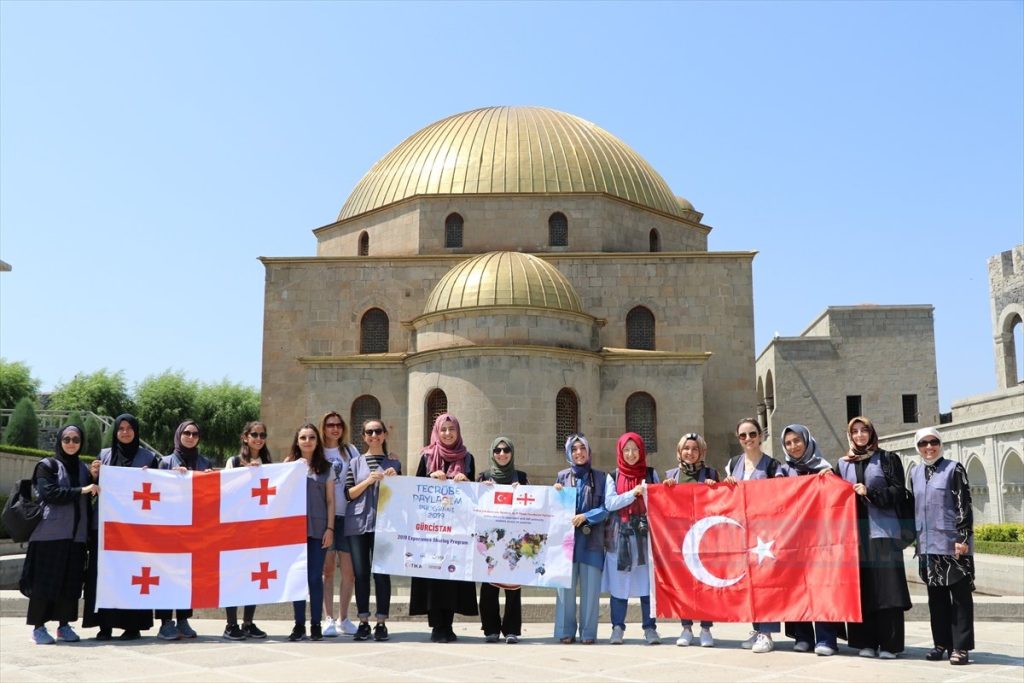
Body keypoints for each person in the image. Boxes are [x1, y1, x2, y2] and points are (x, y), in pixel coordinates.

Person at [836, 416, 912, 659]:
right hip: (855, 537)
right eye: (855, 431)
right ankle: (864, 642)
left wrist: (871, 492)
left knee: (887, 590)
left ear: (871, 433)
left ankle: (890, 644)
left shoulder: (887, 459)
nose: (859, 435)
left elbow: (899, 492)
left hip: (884, 534)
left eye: (864, 430)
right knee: (862, 589)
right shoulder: (842, 464)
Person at [83, 413, 159, 641]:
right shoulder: (104, 457)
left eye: (129, 428)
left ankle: (132, 625)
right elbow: (93, 488)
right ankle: (104, 625)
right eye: (120, 428)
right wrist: (93, 474)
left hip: (136, 531)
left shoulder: (149, 458)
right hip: (106, 529)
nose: (125, 432)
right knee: (104, 575)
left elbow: (159, 490)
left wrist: (151, 477)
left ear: (136, 431)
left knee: (133, 575)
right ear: (115, 432)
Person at [21, 424, 99, 645]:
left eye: (76, 439)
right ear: (60, 441)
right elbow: (49, 493)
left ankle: (64, 626)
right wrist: (81, 490)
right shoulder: (47, 466)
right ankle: (38, 627)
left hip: (76, 538)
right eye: (67, 439)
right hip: (50, 536)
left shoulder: (83, 470)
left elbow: (91, 494)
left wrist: (94, 477)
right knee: (45, 583)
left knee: (70, 584)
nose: (72, 443)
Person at [409, 413, 478, 642]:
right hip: (430, 530)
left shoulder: (467, 458)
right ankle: (436, 625)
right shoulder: (427, 457)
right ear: (437, 432)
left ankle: (448, 624)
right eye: (443, 430)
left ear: (458, 431)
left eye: (452, 429)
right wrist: (430, 477)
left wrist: (466, 481)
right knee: (432, 576)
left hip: (456, 530)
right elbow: (415, 490)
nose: (448, 434)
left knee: (452, 577)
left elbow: (473, 494)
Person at [910, 427, 975, 666]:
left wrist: (963, 538)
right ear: (917, 447)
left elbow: (963, 504)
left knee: (960, 599)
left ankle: (961, 647)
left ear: (940, 443)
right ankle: (941, 644)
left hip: (952, 544)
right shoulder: (915, 472)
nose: (929, 447)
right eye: (923, 443)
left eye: (933, 441)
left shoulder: (954, 469)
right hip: (927, 545)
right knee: (935, 599)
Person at [722, 417, 785, 654]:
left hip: (765, 533)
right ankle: (757, 628)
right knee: (749, 582)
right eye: (743, 436)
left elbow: (780, 493)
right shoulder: (733, 463)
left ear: (760, 435)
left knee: (766, 581)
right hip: (742, 532)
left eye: (752, 434)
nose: (748, 439)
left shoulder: (772, 465)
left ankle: (767, 632)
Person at [778, 424, 841, 656]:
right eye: (788, 443)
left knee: (822, 587)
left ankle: (826, 638)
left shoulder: (823, 468)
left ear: (806, 440)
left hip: (822, 539)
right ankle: (802, 635)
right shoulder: (783, 471)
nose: (793, 446)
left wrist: (830, 480)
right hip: (793, 539)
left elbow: (836, 500)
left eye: (797, 441)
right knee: (798, 586)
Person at [343, 418, 401, 642]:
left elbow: (402, 496)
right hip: (358, 524)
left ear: (385, 434)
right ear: (364, 436)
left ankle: (382, 622)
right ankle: (363, 621)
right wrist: (368, 481)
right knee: (361, 574)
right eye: (369, 432)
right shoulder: (355, 463)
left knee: (382, 574)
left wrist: (397, 480)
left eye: (378, 431)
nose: (374, 435)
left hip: (385, 525)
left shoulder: (394, 463)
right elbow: (348, 494)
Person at [553, 433, 613, 645]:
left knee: (590, 591)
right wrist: (555, 493)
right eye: (574, 449)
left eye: (582, 449)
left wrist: (586, 516)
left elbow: (606, 508)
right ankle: (565, 631)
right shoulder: (561, 477)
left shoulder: (601, 477)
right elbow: (553, 508)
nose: (579, 453)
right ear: (569, 453)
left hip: (592, 542)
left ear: (589, 451)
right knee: (565, 590)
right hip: (567, 544)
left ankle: (588, 633)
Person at [154, 420, 212, 641]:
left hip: (194, 530)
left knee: (187, 576)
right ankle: (165, 622)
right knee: (167, 574)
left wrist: (210, 478)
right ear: (179, 435)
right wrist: (173, 479)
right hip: (169, 530)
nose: (190, 436)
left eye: (195, 433)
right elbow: (157, 492)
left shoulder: (204, 461)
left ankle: (183, 619)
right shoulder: (165, 462)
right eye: (186, 432)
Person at [602, 432, 661, 645]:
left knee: (646, 584)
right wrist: (633, 494)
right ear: (620, 452)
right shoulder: (613, 476)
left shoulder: (651, 473)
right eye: (626, 450)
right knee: (619, 584)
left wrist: (647, 494)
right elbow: (610, 504)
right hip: (620, 536)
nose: (631, 454)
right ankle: (617, 628)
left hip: (645, 536)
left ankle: (650, 628)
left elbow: (659, 501)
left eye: (635, 449)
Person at [663, 432, 718, 648]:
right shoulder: (671, 475)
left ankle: (706, 629)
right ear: (679, 451)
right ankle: (686, 627)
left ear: (701, 452)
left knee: (705, 584)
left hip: (705, 538)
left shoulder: (711, 473)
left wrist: (717, 487)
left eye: (695, 449)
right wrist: (665, 491)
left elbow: (723, 503)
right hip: (681, 538)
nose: (690, 452)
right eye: (686, 448)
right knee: (684, 584)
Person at [283, 423, 334, 641]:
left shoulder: (326, 467)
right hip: (294, 530)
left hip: (319, 528)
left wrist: (330, 528)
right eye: (303, 437)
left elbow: (331, 501)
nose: (307, 441)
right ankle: (298, 625)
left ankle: (315, 624)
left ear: (317, 441)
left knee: (314, 577)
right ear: (297, 440)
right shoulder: (288, 465)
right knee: (297, 577)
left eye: (311, 437)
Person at [222, 421, 272, 641]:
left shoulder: (269, 463)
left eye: (262, 435)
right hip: (235, 527)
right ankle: (230, 624)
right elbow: (225, 490)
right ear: (245, 437)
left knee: (255, 574)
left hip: (258, 528)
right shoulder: (233, 462)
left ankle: (248, 623)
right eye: (254, 434)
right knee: (234, 574)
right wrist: (245, 474)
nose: (258, 438)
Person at [477, 436, 529, 644]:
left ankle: (511, 629)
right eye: (497, 450)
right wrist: (482, 490)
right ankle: (490, 628)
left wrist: (523, 491)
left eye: (506, 449)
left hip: (514, 540)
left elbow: (533, 507)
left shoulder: (522, 477)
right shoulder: (484, 476)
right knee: (489, 585)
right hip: (491, 540)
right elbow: (475, 506)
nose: (502, 454)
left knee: (513, 587)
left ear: (512, 452)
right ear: (492, 453)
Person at [320, 411, 358, 638]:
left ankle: (344, 617)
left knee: (348, 572)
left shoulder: (350, 451)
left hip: (348, 516)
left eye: (338, 425)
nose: (335, 428)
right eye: (330, 425)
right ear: (323, 427)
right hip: (325, 517)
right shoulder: (318, 450)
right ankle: (328, 618)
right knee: (327, 570)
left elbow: (363, 471)